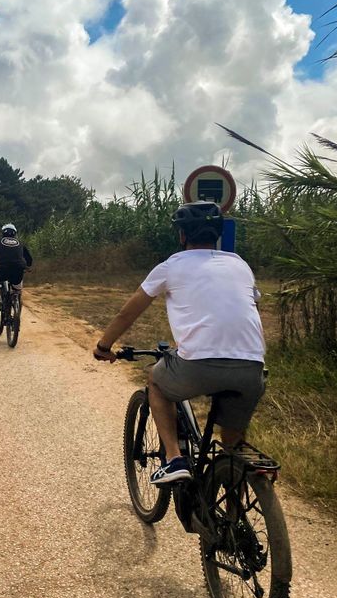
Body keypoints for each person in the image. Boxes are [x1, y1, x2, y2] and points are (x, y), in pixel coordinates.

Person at [92, 202, 266, 485]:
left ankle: (174, 458)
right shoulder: (239, 264)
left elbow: (129, 311)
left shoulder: (171, 265)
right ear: (218, 234)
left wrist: (103, 346)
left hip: (198, 365)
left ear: (182, 235)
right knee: (233, 444)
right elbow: (251, 309)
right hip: (252, 367)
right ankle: (234, 504)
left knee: (156, 382)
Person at [0, 223, 32, 311]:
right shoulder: (20, 243)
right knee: (18, 290)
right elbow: (29, 258)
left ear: (3, 233)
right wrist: (28, 266)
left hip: (2, 271)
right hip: (18, 271)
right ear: (15, 233)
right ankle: (16, 305)